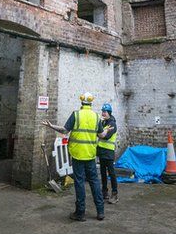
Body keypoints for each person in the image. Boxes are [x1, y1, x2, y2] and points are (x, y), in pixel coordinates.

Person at [43, 92, 104, 221]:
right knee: (94, 182)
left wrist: (51, 126)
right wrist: (107, 130)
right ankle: (100, 211)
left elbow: (65, 130)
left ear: (81, 102)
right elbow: (101, 135)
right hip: (90, 155)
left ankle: (80, 213)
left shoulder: (76, 115)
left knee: (80, 183)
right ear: (91, 103)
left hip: (77, 155)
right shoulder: (96, 117)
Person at [97, 103, 119, 204]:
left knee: (111, 173)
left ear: (109, 113)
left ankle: (115, 194)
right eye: (102, 111)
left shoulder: (112, 124)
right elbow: (100, 133)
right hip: (101, 151)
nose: (103, 113)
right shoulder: (103, 123)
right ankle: (104, 192)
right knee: (103, 173)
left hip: (109, 152)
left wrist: (99, 133)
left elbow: (105, 136)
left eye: (105, 112)